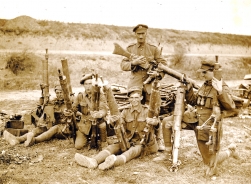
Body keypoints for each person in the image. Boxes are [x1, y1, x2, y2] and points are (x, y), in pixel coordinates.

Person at [153, 60, 239, 178]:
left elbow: (231, 107)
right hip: (194, 118)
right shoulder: (205, 84)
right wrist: (188, 90)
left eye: (205, 72)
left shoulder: (222, 86)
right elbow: (194, 102)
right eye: (201, 72)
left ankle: (230, 151)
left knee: (209, 162)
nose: (202, 75)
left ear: (213, 72)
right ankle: (167, 152)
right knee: (167, 122)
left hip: (206, 126)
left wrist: (219, 91)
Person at [74, 86, 159, 170]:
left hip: (144, 143)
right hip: (128, 140)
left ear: (141, 98)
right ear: (129, 99)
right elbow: (120, 124)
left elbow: (157, 124)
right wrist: (112, 121)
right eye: (132, 98)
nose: (134, 100)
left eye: (136, 97)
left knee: (131, 152)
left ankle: (114, 162)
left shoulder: (148, 111)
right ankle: (93, 161)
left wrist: (155, 122)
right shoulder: (126, 111)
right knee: (113, 147)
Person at [120, 24, 167, 150]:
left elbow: (163, 65)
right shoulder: (130, 49)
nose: (141, 36)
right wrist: (133, 63)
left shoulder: (153, 49)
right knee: (133, 111)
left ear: (146, 34)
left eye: (143, 34)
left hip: (150, 85)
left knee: (154, 112)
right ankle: (133, 136)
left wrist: (158, 73)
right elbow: (123, 65)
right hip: (135, 84)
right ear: (135, 35)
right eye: (138, 34)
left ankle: (157, 140)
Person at [3, 85, 73, 146]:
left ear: (64, 93)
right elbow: (45, 114)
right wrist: (43, 105)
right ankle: (18, 139)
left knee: (55, 128)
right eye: (57, 93)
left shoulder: (69, 103)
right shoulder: (54, 102)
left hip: (65, 129)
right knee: (40, 128)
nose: (59, 94)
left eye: (61, 93)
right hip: (54, 126)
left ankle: (35, 140)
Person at [72, 73, 108, 150]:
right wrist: (69, 111)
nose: (88, 86)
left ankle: (103, 141)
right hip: (85, 124)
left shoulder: (100, 95)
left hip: (97, 122)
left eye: (90, 84)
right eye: (86, 84)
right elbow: (73, 109)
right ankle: (88, 138)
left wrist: (100, 114)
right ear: (83, 85)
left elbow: (104, 108)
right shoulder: (80, 96)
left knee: (102, 125)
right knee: (78, 146)